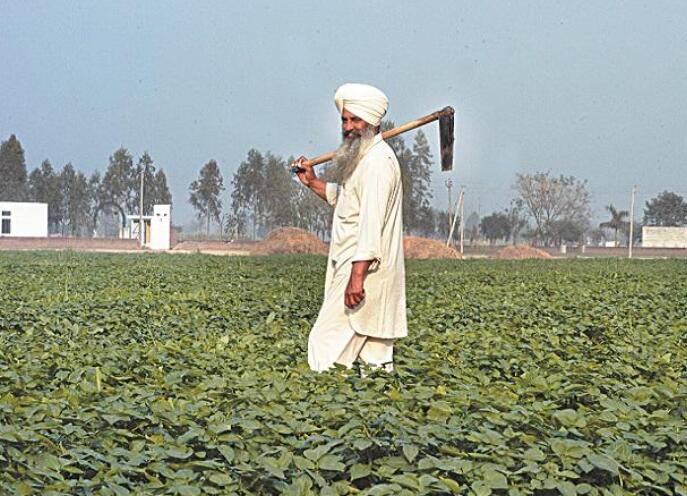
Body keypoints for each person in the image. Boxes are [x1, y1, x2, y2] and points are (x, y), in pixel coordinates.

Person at [293, 83, 407, 372]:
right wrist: (312, 181)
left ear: (374, 122)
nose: (348, 127)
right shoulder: (362, 158)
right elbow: (347, 202)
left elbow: (370, 224)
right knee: (376, 365)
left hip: (363, 269)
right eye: (345, 120)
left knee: (324, 346)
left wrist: (356, 279)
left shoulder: (378, 164)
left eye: (355, 120)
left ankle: (319, 410)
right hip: (362, 267)